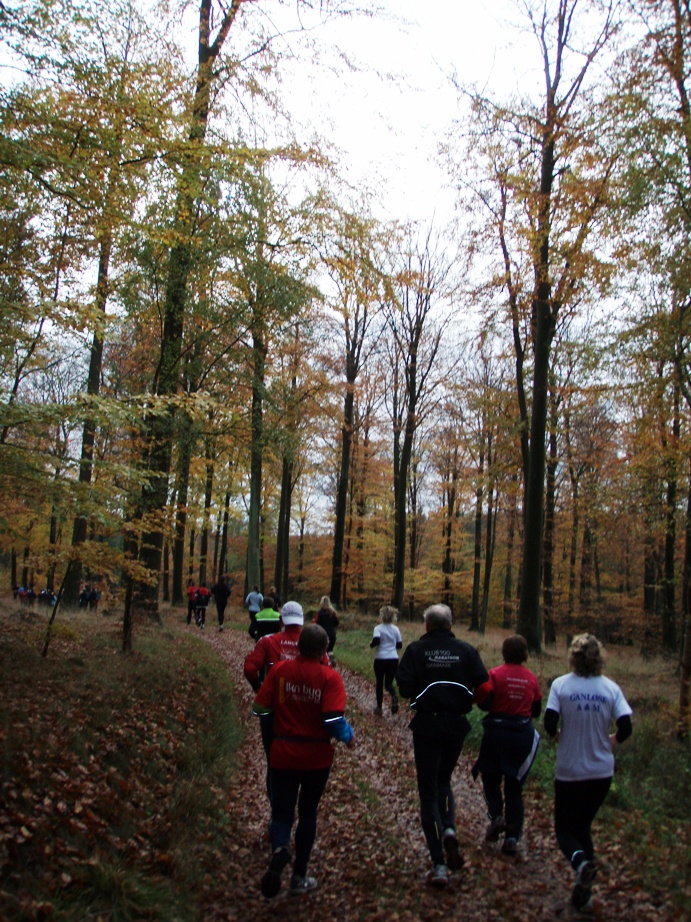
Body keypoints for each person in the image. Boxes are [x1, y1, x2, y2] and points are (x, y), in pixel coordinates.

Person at [252, 623, 355, 899]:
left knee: (282, 812)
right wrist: (348, 736)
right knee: (308, 812)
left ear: (298, 646)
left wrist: (277, 717)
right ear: (324, 650)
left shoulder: (279, 671)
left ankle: (280, 848)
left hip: (283, 752)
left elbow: (259, 707)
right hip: (316, 757)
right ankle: (299, 876)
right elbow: (332, 718)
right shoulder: (329, 678)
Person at [396, 603, 489, 888]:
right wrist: (464, 700)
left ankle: (438, 864)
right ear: (450, 624)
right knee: (444, 780)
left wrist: (427, 690)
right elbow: (485, 688)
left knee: (428, 790)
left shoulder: (414, 651)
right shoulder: (467, 651)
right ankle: (448, 827)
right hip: (456, 726)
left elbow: (404, 687)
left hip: (427, 725)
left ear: (427, 625)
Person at [544, 633, 633, 914]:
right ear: (600, 657)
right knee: (582, 827)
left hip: (570, 769)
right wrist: (614, 740)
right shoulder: (610, 688)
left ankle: (581, 863)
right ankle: (585, 894)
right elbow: (626, 726)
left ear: (573, 656)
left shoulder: (561, 685)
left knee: (564, 830)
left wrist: (558, 735)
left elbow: (548, 722)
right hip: (600, 772)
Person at [472, 634, 542, 856]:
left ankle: (497, 815)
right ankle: (512, 837)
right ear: (525, 654)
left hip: (496, 733)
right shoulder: (531, 678)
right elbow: (537, 710)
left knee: (490, 777)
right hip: (521, 735)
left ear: (504, 652)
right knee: (514, 786)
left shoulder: (494, 674)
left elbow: (483, 701)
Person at [370, 605, 403, 716]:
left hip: (380, 658)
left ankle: (379, 708)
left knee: (379, 683)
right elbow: (399, 645)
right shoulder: (396, 629)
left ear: (382, 616)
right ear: (393, 617)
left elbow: (376, 641)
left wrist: (371, 645)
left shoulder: (378, 628)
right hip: (393, 659)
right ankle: (393, 696)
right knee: (388, 683)